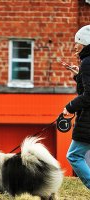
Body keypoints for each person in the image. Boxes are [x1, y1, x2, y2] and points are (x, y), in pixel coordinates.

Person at [63, 25, 90, 189]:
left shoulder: (87, 62)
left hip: (88, 120)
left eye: (77, 42)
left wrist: (70, 107)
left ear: (85, 43)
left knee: (74, 155)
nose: (75, 45)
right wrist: (79, 75)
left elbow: (88, 96)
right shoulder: (87, 63)